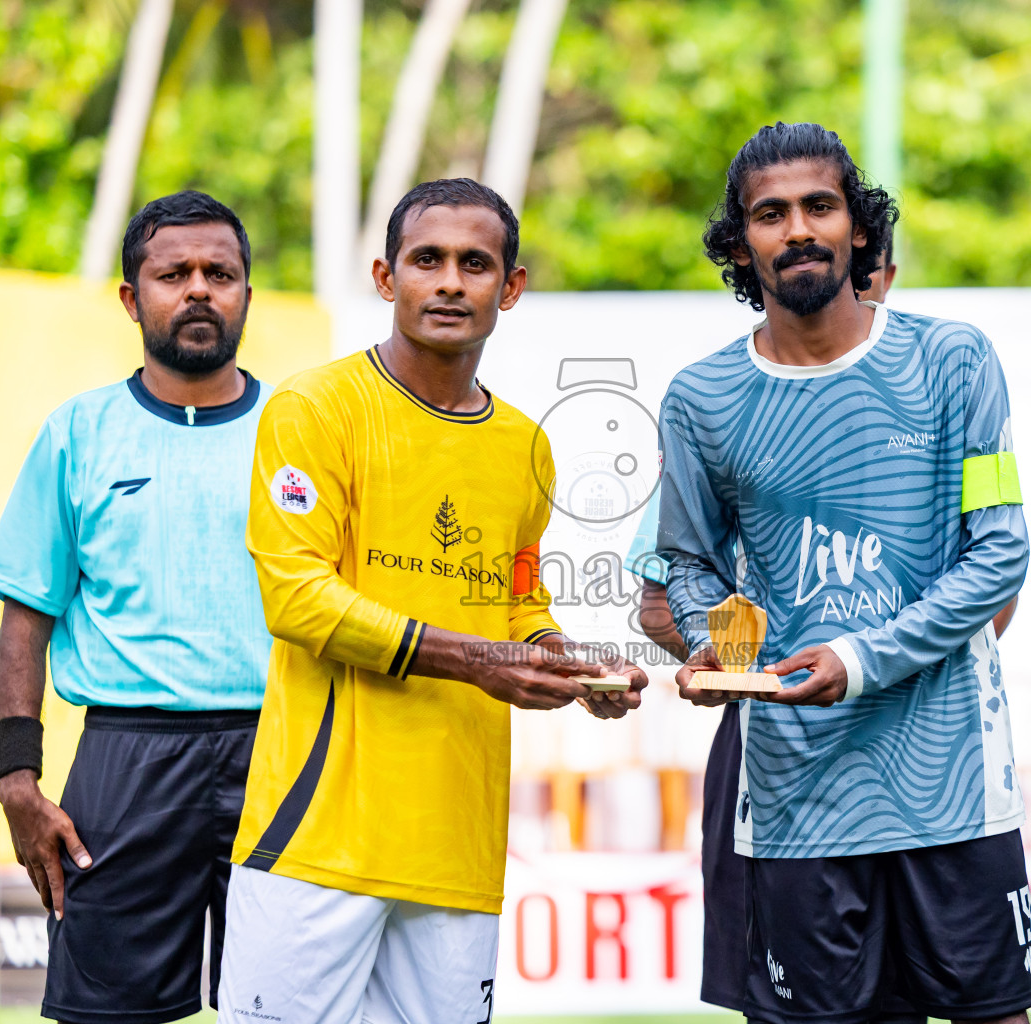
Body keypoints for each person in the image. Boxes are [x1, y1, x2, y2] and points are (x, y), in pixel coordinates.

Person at [217, 178, 647, 1023]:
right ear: (386, 278)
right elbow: (298, 599)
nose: (450, 281)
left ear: (510, 288)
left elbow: (515, 600)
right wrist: (482, 660)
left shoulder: (526, 443)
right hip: (317, 841)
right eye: (428, 260)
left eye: (475, 264)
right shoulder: (315, 407)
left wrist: (565, 660)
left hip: (458, 846)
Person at [660, 121, 1031, 1024]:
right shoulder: (700, 399)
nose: (797, 229)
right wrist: (720, 652)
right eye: (770, 214)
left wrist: (860, 660)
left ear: (859, 229)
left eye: (819, 206)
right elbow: (685, 564)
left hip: (953, 788)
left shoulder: (955, 360)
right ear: (740, 243)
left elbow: (1000, 552)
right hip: (795, 797)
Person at [0, 190, 270, 1024]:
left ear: (248, 291)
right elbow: (24, 619)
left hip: (282, 751)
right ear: (130, 297)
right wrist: (16, 777)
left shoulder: (301, 429)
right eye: (172, 273)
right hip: (127, 758)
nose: (199, 290)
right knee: (107, 1014)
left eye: (221, 272)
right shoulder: (79, 432)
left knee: (293, 1008)